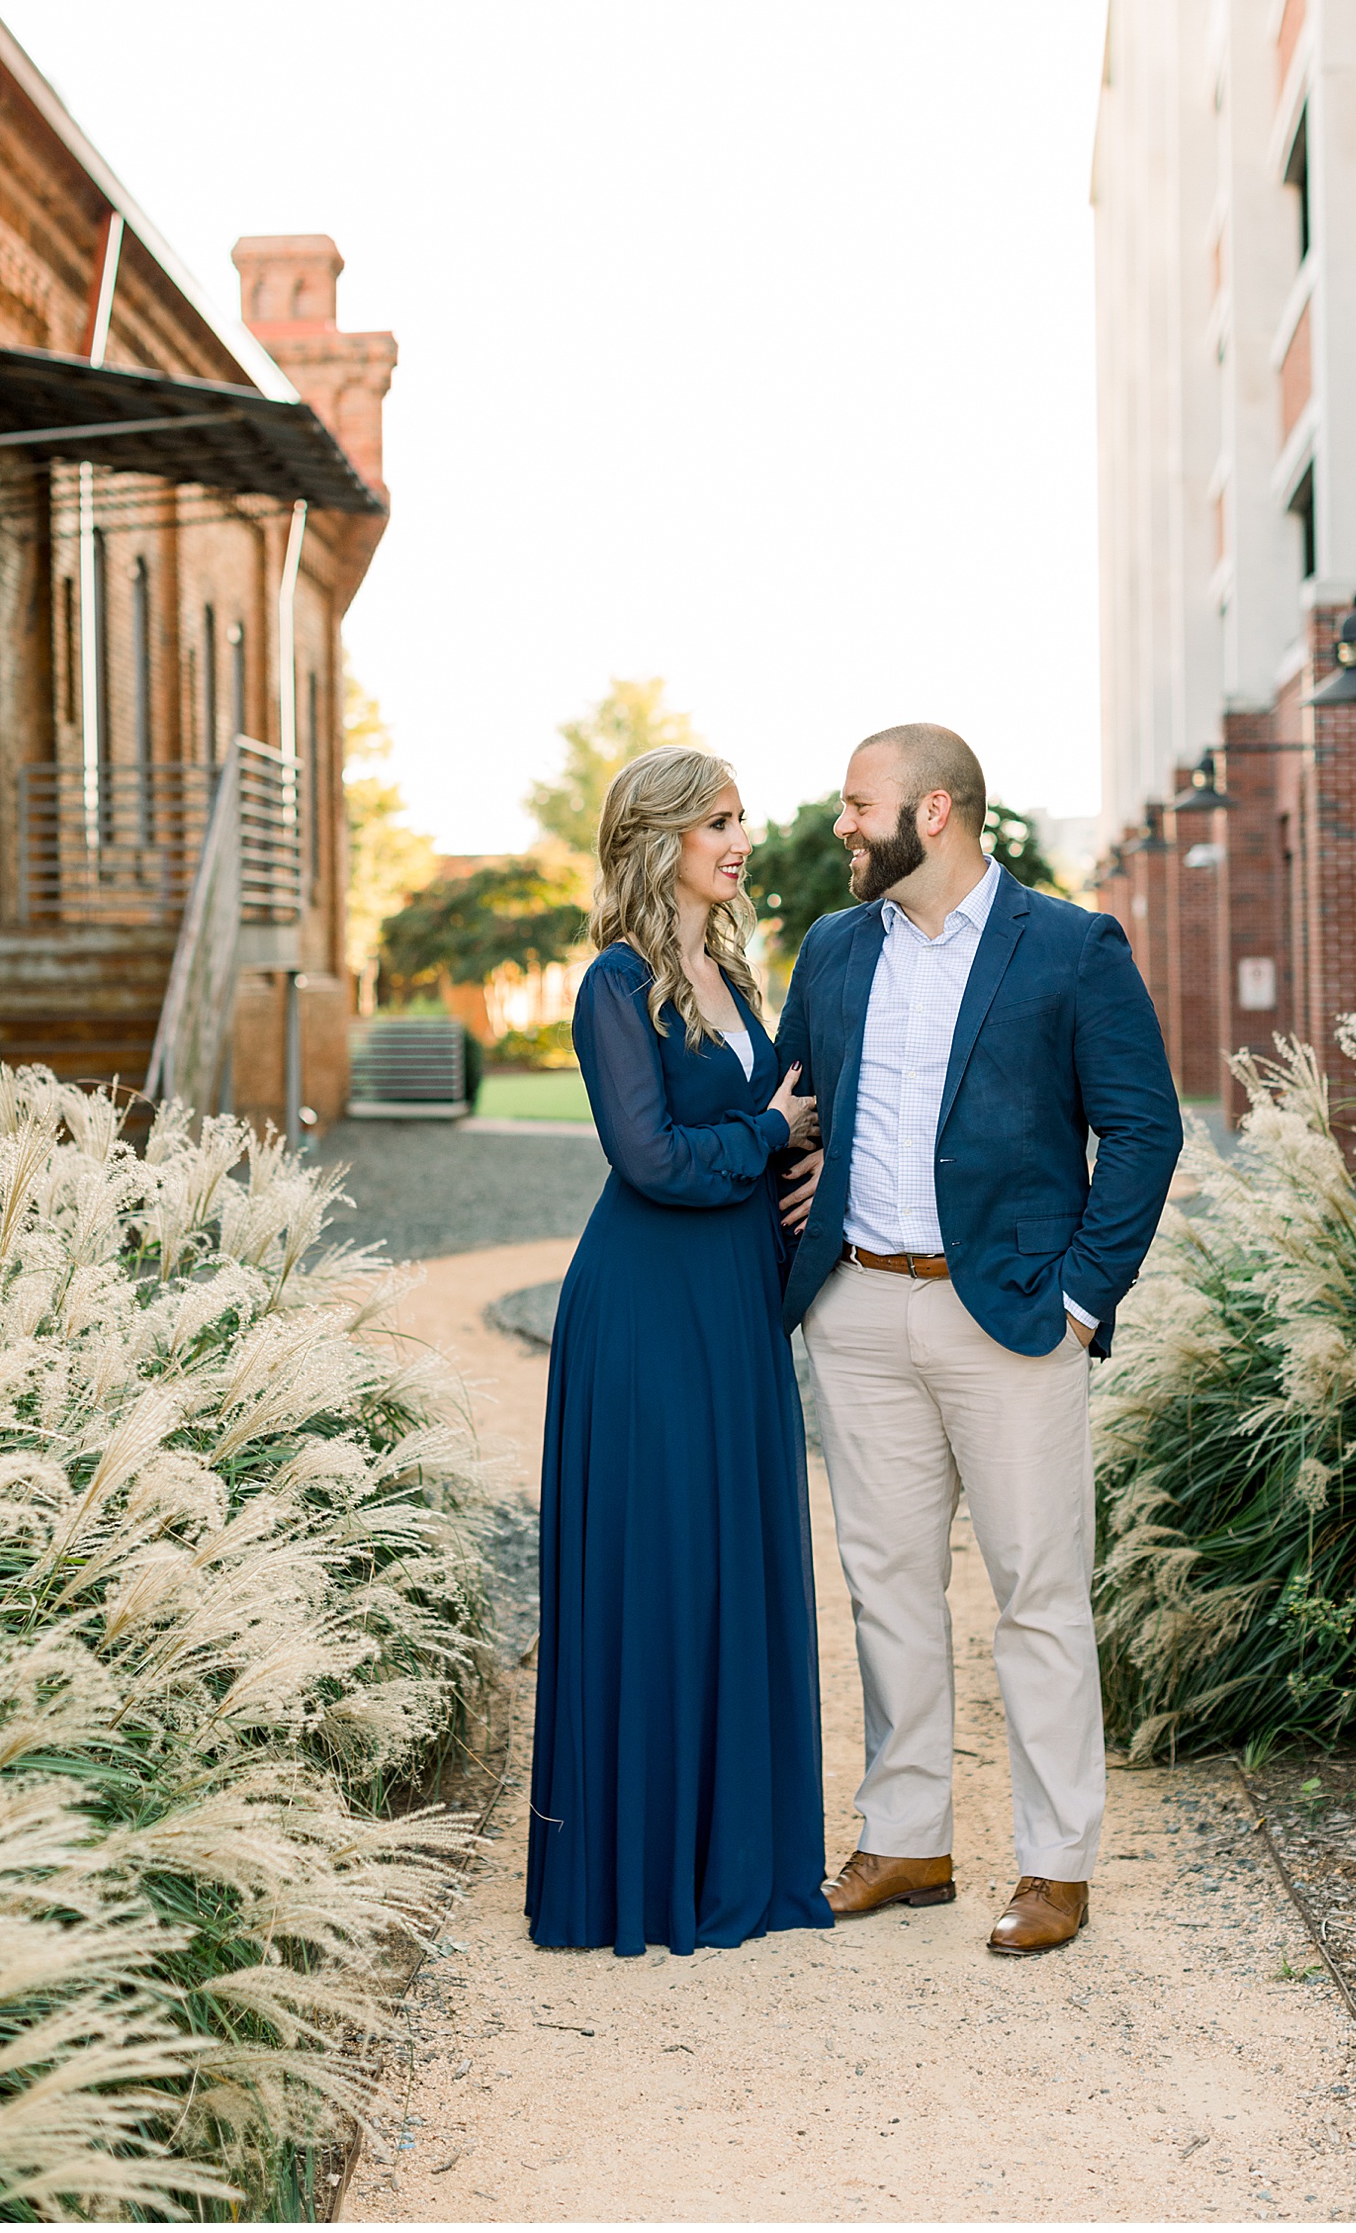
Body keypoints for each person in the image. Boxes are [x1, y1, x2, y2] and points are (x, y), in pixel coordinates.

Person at [775, 722, 1182, 1955]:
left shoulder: (1069, 946)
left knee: (1039, 1595)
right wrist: (805, 1164)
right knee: (886, 1586)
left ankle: (1058, 1863)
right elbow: (800, 1102)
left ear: (935, 810)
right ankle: (908, 1840)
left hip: (1010, 1317)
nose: (843, 824)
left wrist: (1075, 1299)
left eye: (860, 803)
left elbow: (1144, 1131)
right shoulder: (835, 946)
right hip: (856, 1308)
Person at [527, 745, 833, 1956]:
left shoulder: (732, 972)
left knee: (730, 1561)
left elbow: (764, 1137)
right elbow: (648, 1158)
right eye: (718, 819)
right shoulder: (615, 982)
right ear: (660, 839)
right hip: (648, 1313)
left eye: (741, 815)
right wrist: (768, 1134)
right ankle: (644, 1870)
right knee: (663, 1565)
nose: (740, 835)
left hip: (733, 1308)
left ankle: (736, 1854)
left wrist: (794, 1174)